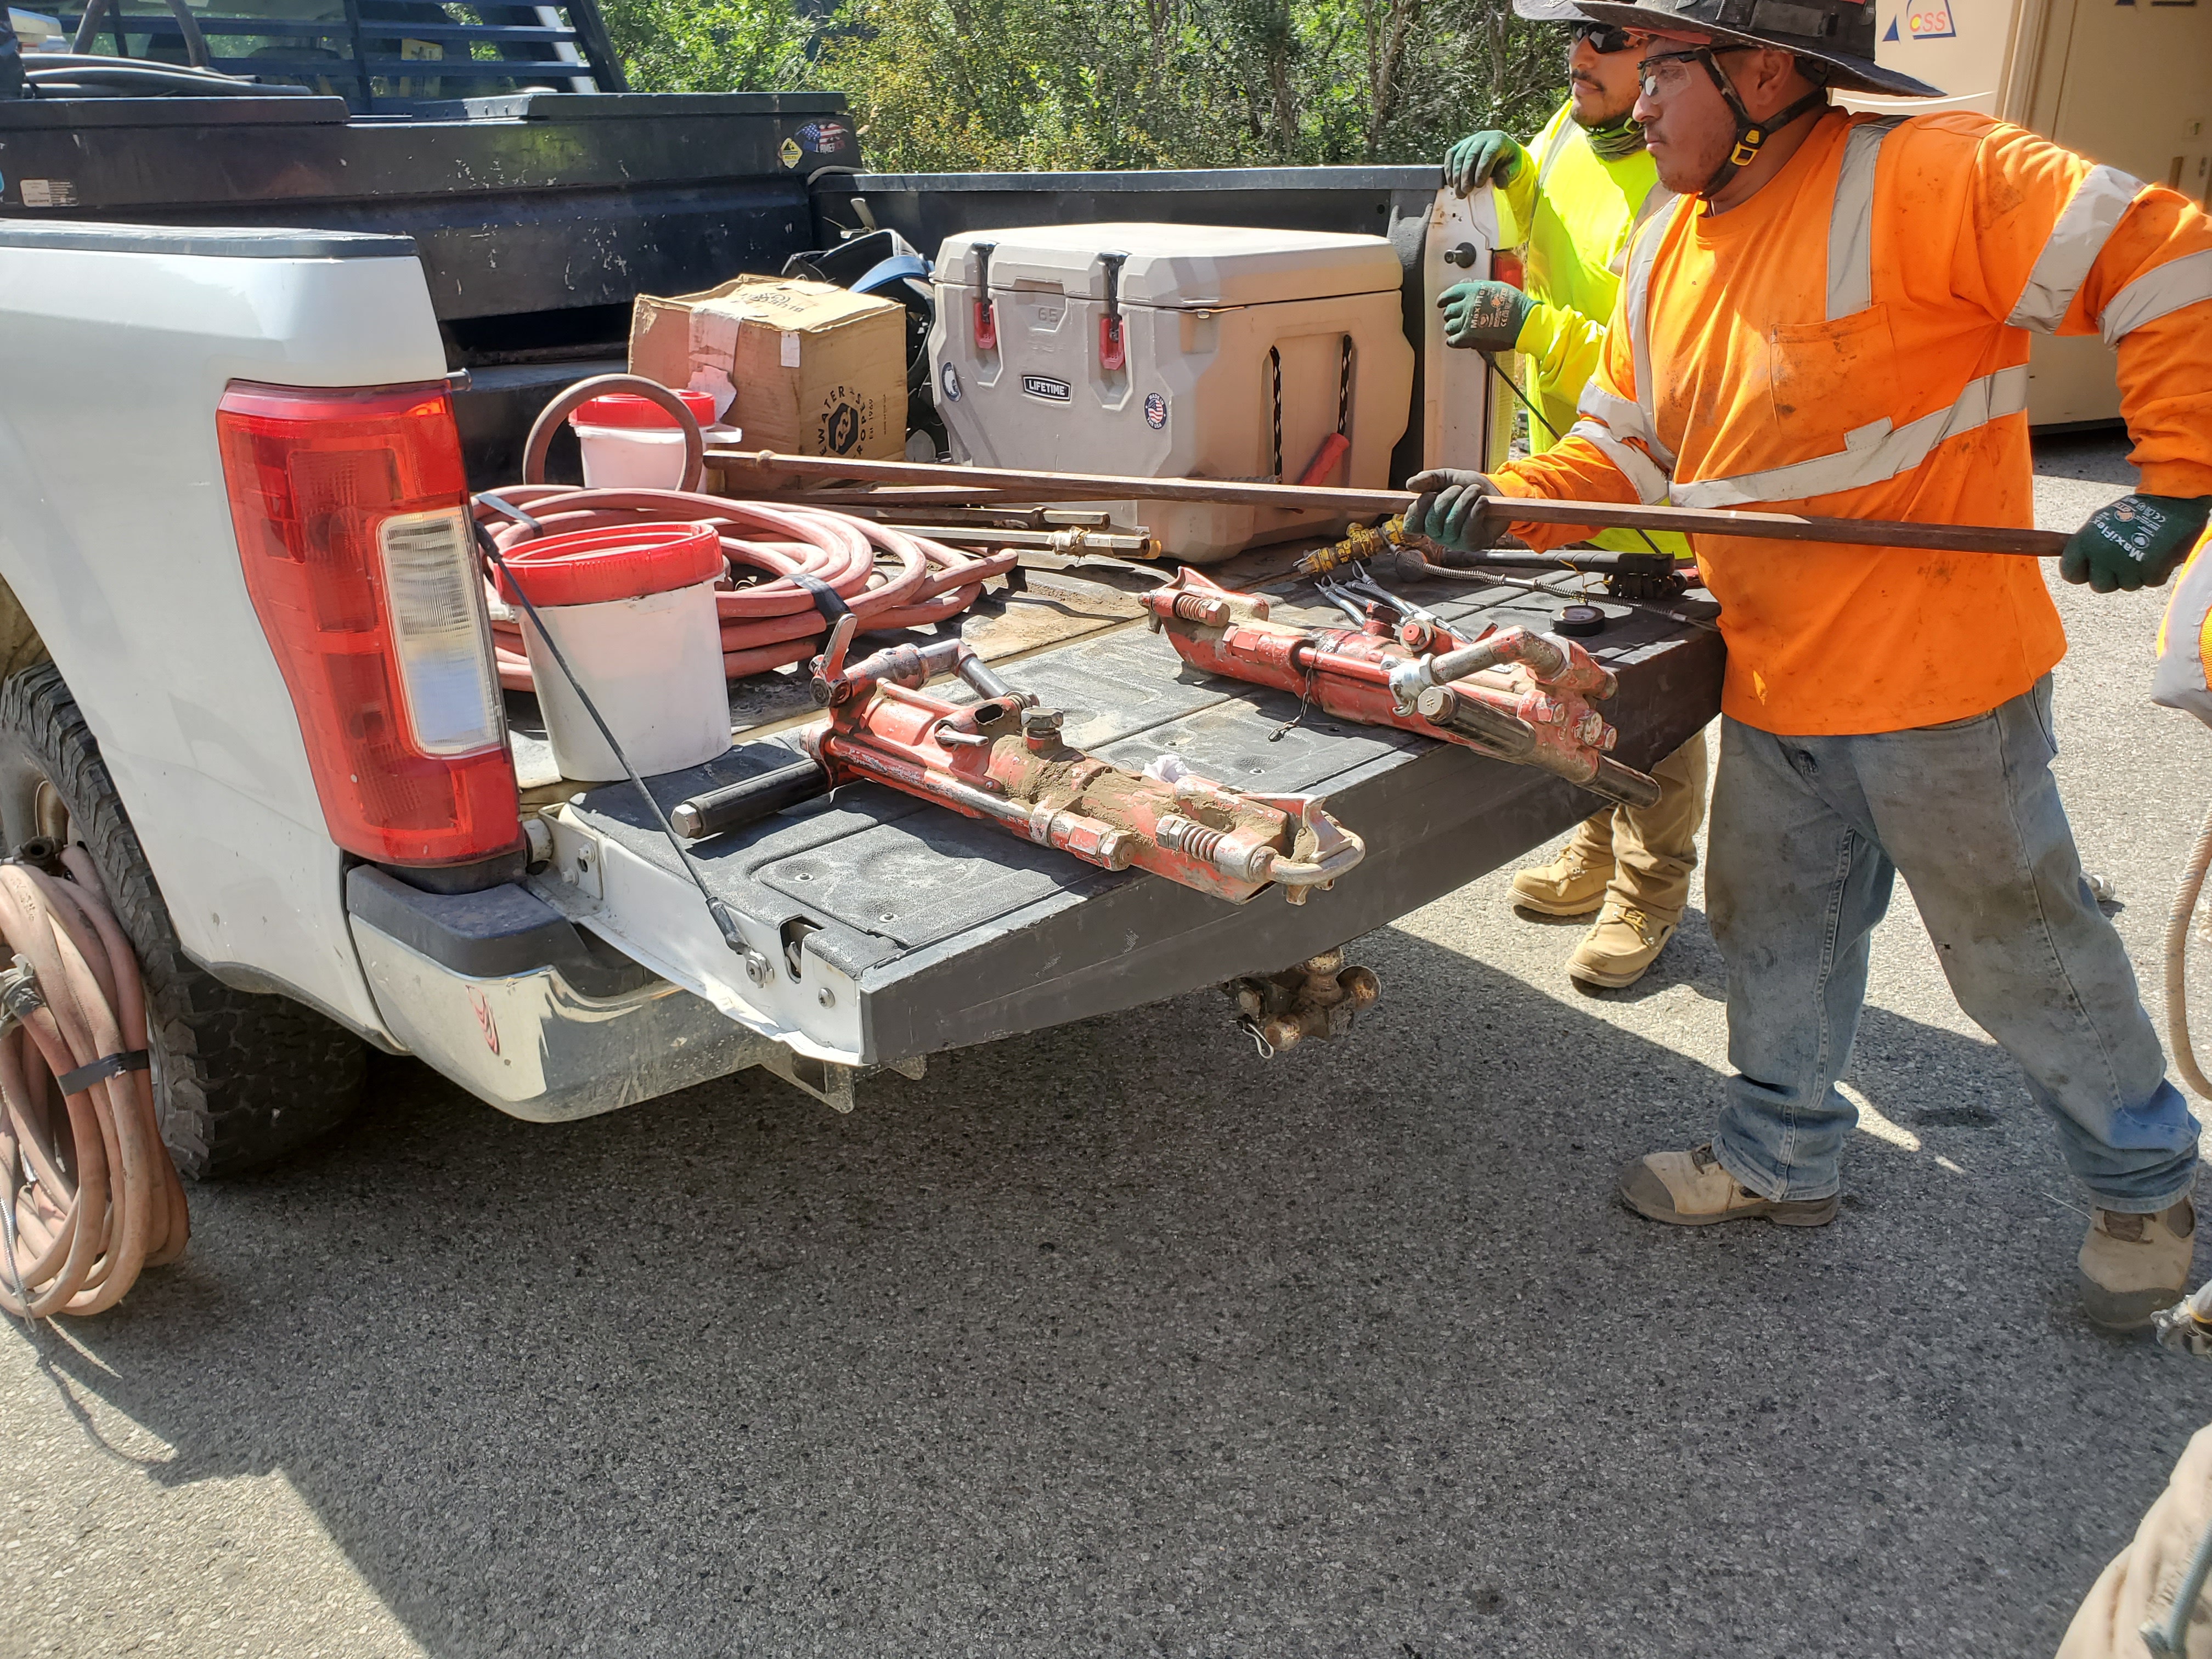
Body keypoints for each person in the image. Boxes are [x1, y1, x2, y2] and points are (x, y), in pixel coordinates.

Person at [1404, 0, 2212, 1327]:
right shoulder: (1670, 244)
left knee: (2018, 947)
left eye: (1666, 68)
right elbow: (1631, 449)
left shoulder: (1933, 175)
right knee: (1777, 929)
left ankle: (2147, 1186)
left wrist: (2177, 484)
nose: (1637, 99)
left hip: (1941, 679)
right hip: (1777, 669)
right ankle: (1782, 1158)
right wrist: (1505, 504)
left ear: (1765, 70)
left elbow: (2173, 256)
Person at [1440, 0, 1707, 992]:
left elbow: (1670, 366)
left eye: (1608, 39)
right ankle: (1595, 848)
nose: (1579, 54)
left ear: (1672, 59)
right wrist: (1514, 177)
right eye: (1577, 34)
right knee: (1574, 677)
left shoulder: (1682, 177)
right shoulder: (1562, 134)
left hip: (1647, 482)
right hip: (1565, 466)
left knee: (1654, 703)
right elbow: (1536, 247)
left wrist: (1534, 327)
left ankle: (1651, 889)